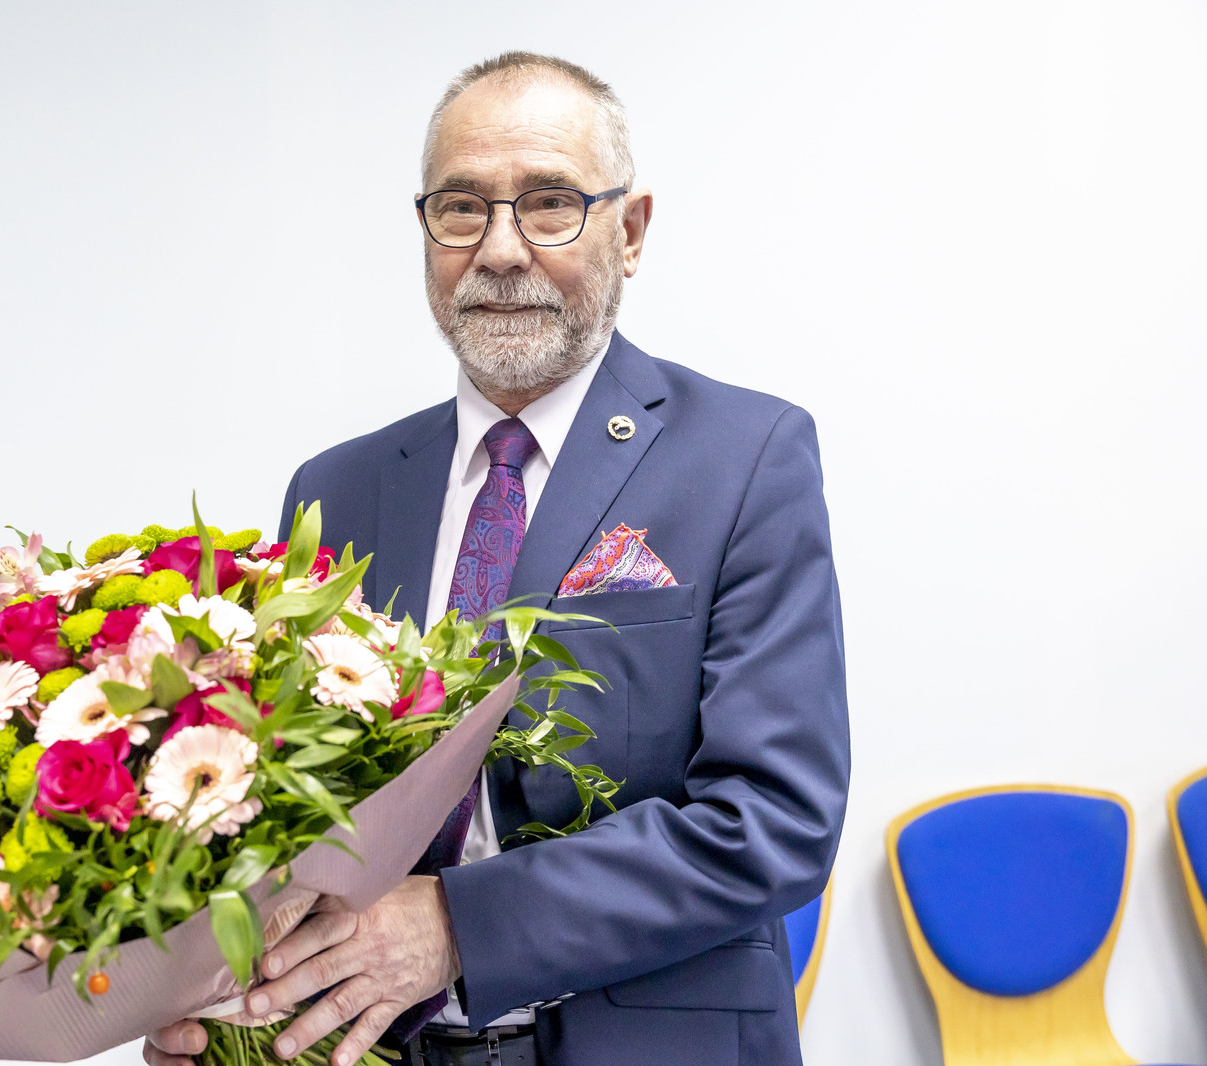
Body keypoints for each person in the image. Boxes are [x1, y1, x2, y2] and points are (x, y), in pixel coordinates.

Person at [146, 52, 850, 1066]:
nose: (501, 248)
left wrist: (457, 927)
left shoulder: (747, 457)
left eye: (551, 202)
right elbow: (293, 821)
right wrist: (222, 1002)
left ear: (631, 231)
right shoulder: (335, 490)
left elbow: (774, 820)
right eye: (462, 208)